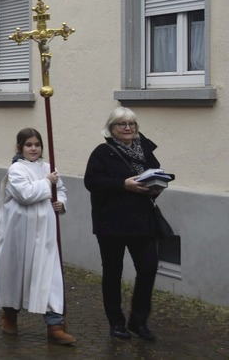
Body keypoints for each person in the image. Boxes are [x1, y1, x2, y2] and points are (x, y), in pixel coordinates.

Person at [0, 128, 76, 345]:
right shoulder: (16, 170)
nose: (33, 148)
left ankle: (55, 325)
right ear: (20, 148)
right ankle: (9, 315)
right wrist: (48, 184)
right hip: (19, 234)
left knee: (50, 276)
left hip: (46, 234)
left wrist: (61, 202)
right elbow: (26, 195)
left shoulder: (50, 168)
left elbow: (62, 191)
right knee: (16, 275)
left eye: (37, 145)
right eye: (29, 145)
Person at [84, 106, 162, 342]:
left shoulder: (145, 148)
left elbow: (156, 172)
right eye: (122, 124)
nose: (128, 128)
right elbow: (92, 182)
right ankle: (116, 322)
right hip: (112, 223)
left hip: (142, 220)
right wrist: (123, 184)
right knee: (113, 272)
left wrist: (156, 187)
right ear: (111, 128)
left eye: (132, 124)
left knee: (148, 268)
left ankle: (138, 321)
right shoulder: (102, 152)